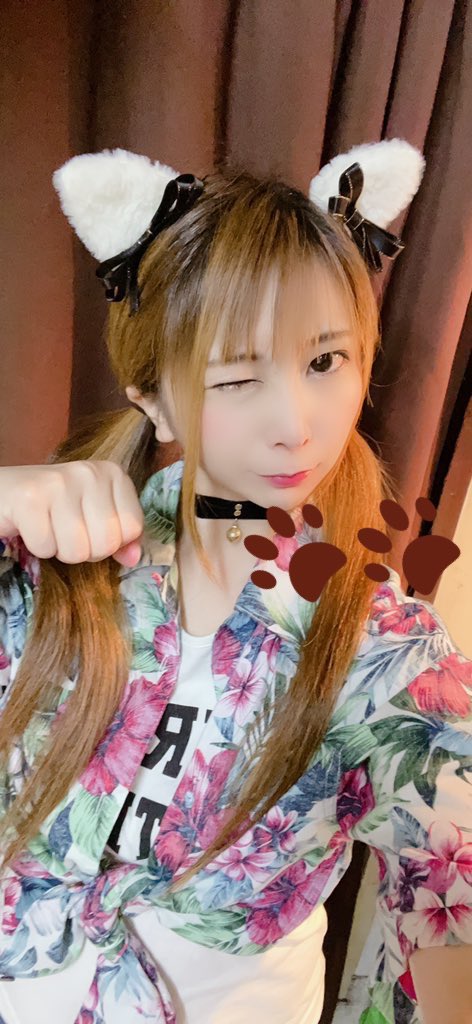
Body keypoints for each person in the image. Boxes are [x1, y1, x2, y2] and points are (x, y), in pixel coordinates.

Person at [0, 140, 471, 1024]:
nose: (296, 424)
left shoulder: (385, 654)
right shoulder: (46, 565)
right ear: (152, 397)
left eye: (325, 362)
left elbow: (459, 896)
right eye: (240, 377)